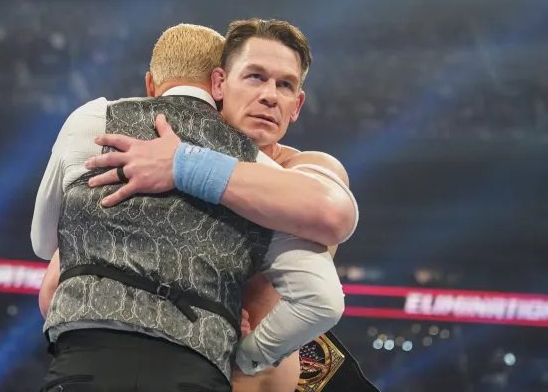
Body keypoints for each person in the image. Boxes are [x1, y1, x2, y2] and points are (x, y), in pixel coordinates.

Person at [32, 21, 357, 391]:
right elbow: (53, 288)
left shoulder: (300, 167)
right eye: (255, 77)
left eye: (285, 85)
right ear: (219, 85)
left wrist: (182, 165)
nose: (270, 96)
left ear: (297, 105)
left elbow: (331, 213)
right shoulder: (144, 159)